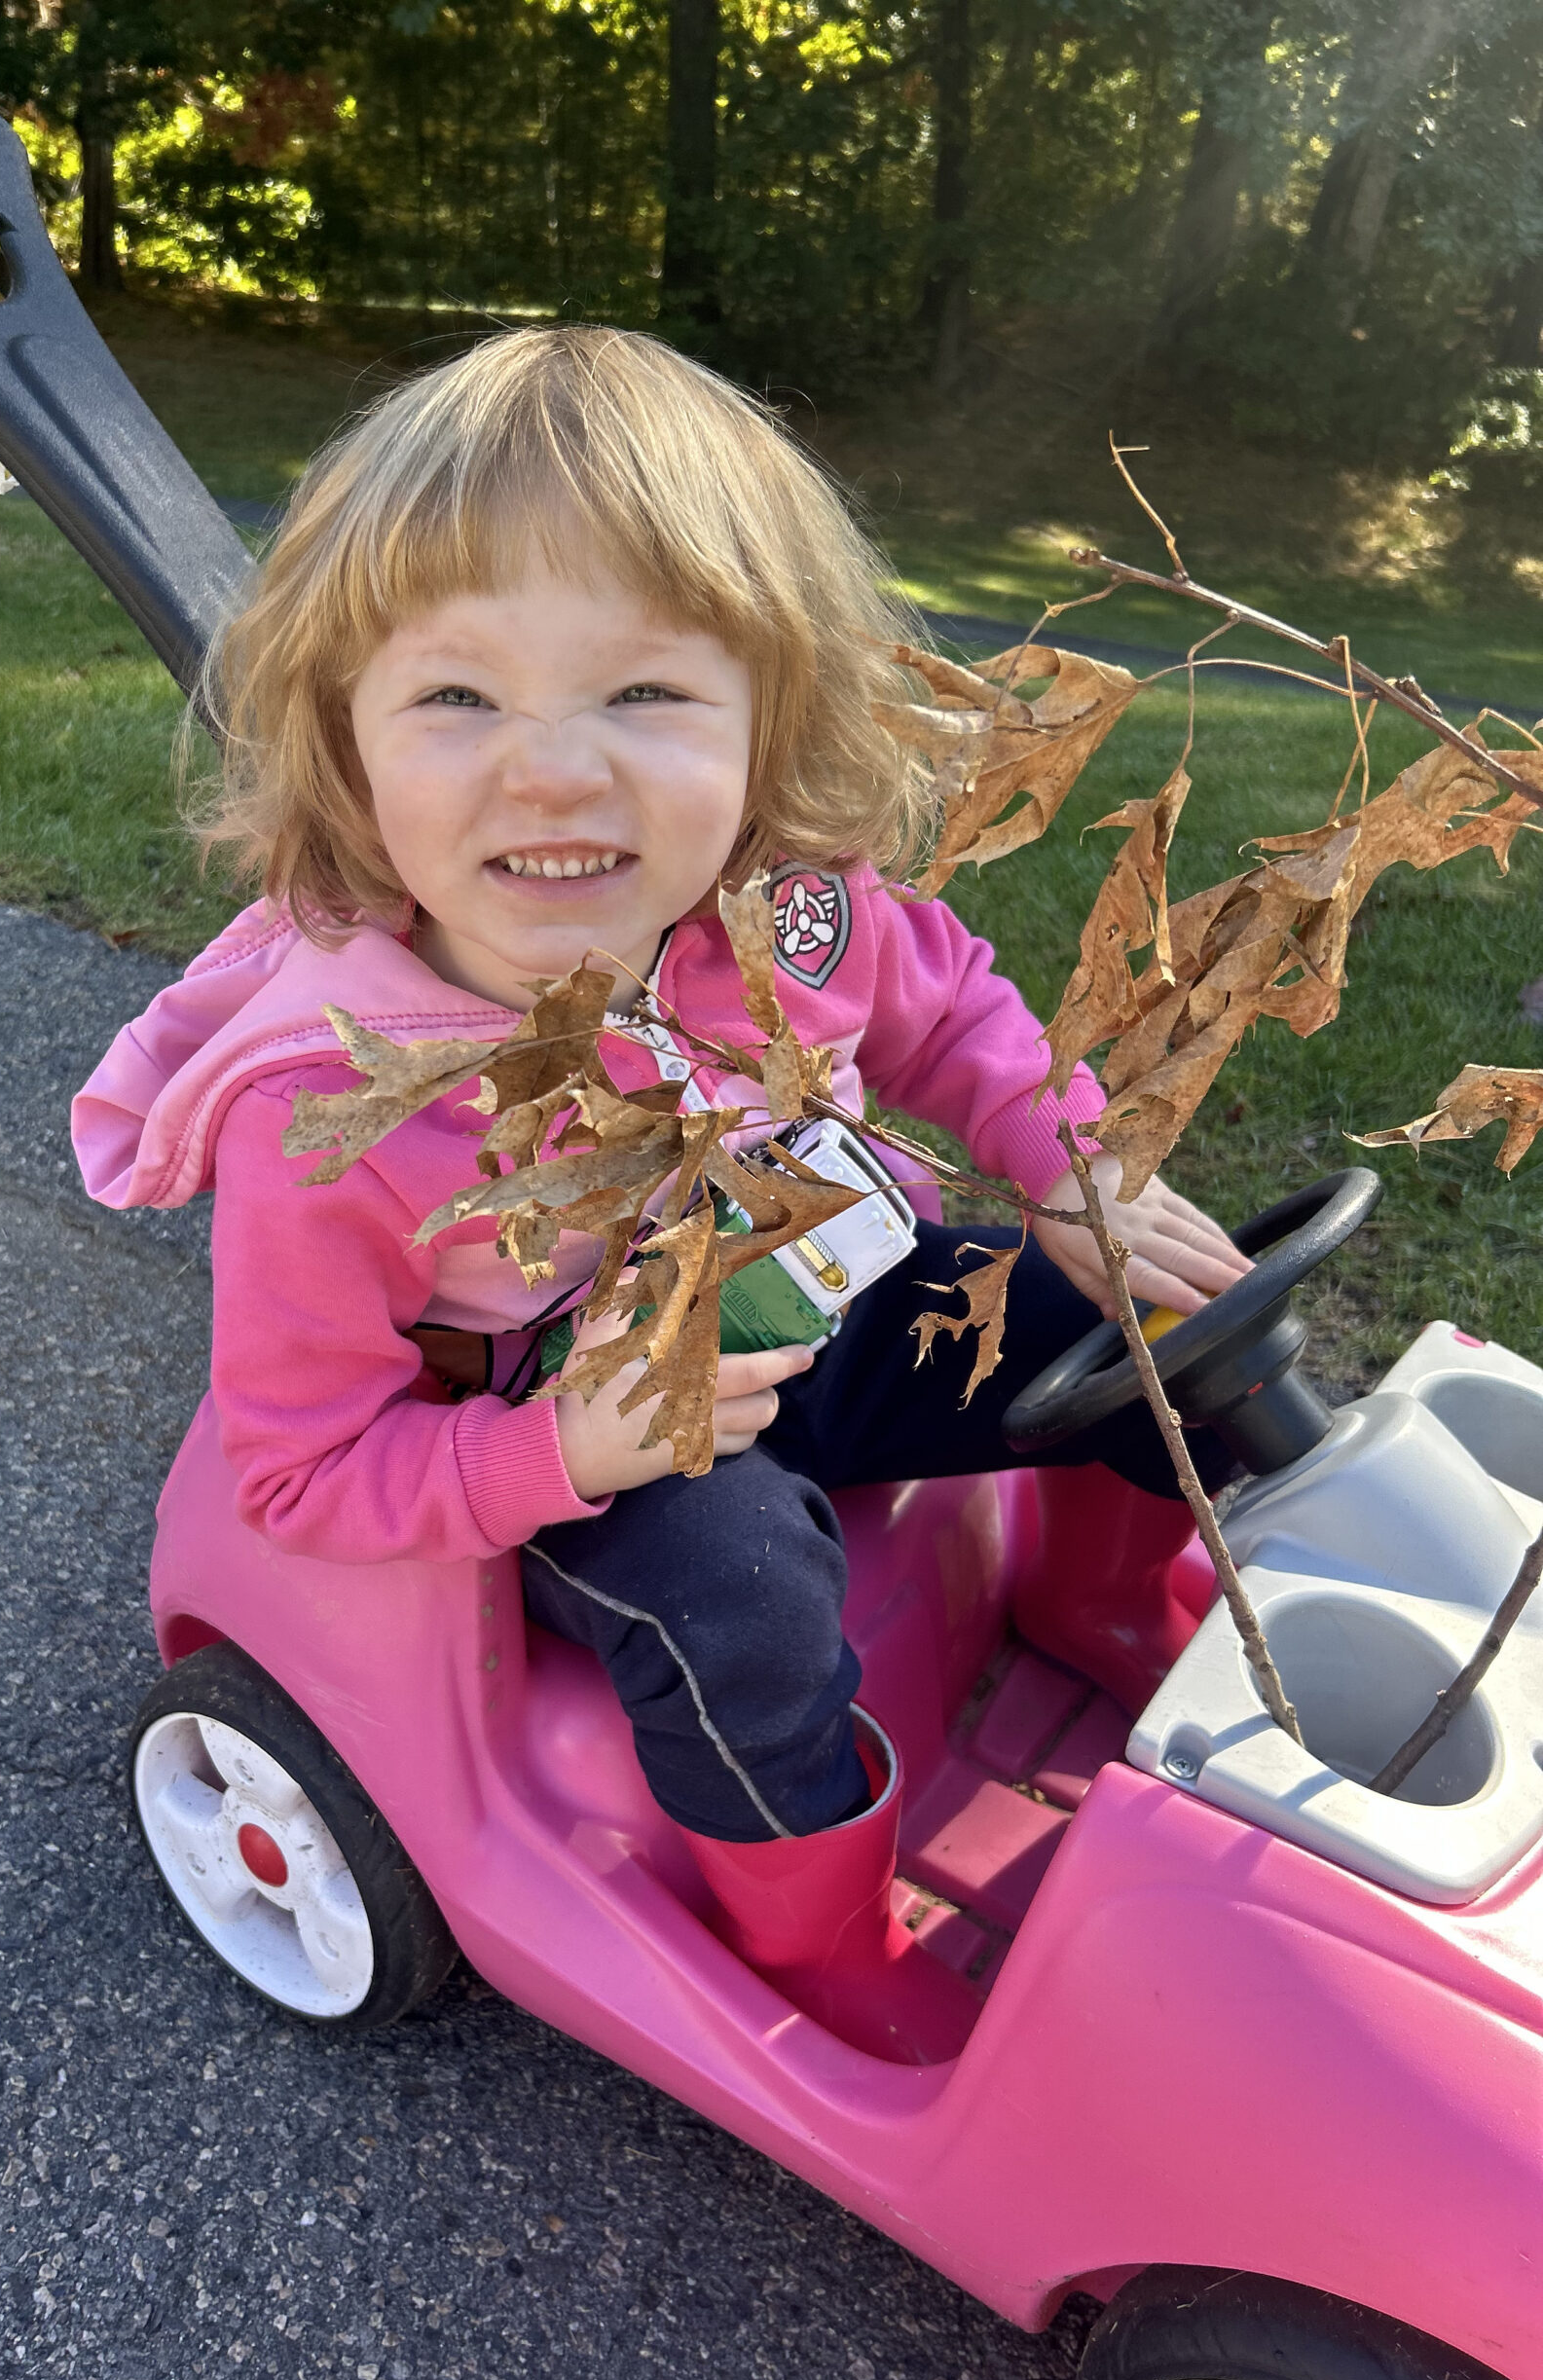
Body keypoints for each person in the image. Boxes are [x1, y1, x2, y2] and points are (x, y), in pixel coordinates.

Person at [74, 327, 1249, 2061]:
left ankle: (1110, 1607)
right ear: (350, 744)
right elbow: (299, 1470)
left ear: (773, 723)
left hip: (813, 1294)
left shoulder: (778, 912)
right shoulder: (331, 1112)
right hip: (583, 1415)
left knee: (1140, 1322)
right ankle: (820, 1935)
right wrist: (563, 1454)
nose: (553, 768)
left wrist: (1057, 1156)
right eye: (458, 697)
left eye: (645, 693)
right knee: (738, 1597)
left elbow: (947, 1003)